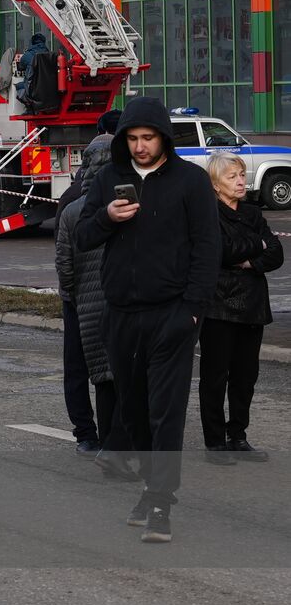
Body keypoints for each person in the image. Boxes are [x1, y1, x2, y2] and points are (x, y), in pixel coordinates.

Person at [74, 96, 220, 544]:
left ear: (163, 138)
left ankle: (161, 502)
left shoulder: (190, 182)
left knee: (166, 412)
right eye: (133, 139)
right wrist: (107, 217)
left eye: (148, 138)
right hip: (121, 316)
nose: (140, 147)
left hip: (172, 314)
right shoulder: (108, 179)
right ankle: (147, 488)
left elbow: (207, 248)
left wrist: (192, 310)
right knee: (133, 412)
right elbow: (81, 237)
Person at [54, 134, 138, 479]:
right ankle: (119, 443)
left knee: (88, 371)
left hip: (80, 304)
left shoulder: (71, 203)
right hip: (120, 300)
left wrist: (71, 297)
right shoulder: (128, 201)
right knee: (121, 373)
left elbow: (64, 262)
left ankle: (91, 437)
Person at [199, 152, 283, 465]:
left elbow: (276, 253)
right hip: (219, 305)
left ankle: (238, 435)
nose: (240, 181)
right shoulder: (209, 214)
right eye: (232, 176)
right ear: (215, 184)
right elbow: (222, 251)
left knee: (246, 375)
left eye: (241, 174)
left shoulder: (252, 213)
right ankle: (215, 440)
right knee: (215, 374)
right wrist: (257, 246)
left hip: (252, 305)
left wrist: (251, 257)